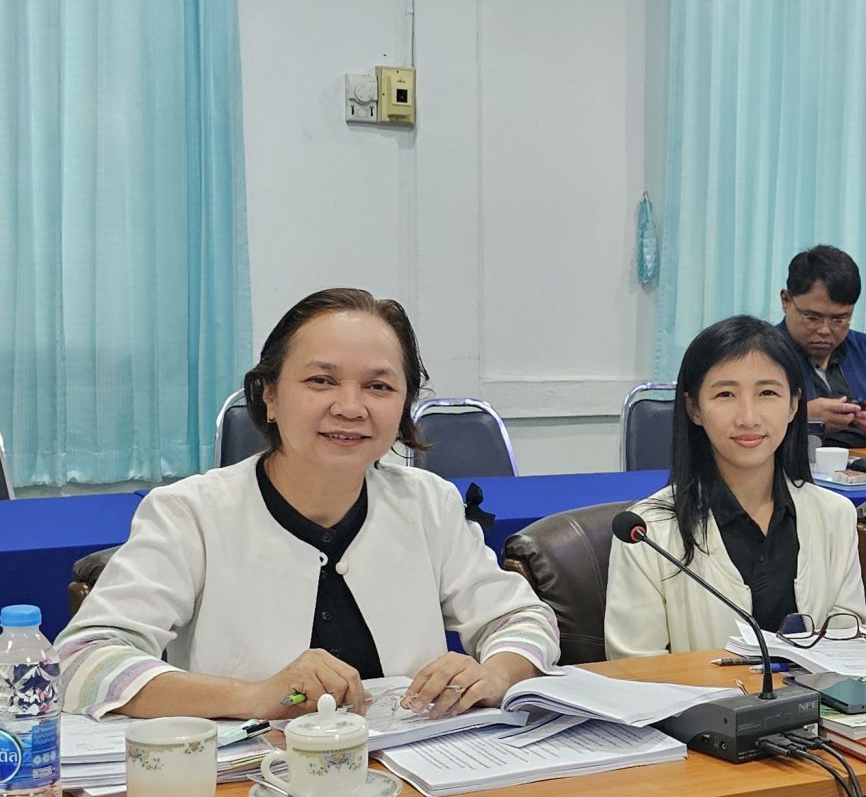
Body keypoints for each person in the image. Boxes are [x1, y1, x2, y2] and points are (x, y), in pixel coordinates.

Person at [58, 288, 560, 720]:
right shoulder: (191, 513)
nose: (351, 407)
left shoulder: (428, 503)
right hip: (252, 782)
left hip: (414, 775)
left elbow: (522, 619)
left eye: (379, 386)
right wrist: (253, 696)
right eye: (321, 380)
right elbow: (82, 660)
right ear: (269, 396)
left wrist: (496, 674)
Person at [606, 315, 866, 658]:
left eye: (767, 393)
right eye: (725, 394)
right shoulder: (647, 532)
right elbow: (636, 671)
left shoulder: (835, 515)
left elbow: (850, 644)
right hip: (696, 696)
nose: (748, 417)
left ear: (793, 405)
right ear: (694, 408)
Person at [776, 245, 866, 448]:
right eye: (812, 318)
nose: (825, 330)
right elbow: (743, 427)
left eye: (839, 319)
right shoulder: (762, 353)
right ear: (786, 301)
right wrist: (803, 419)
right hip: (798, 465)